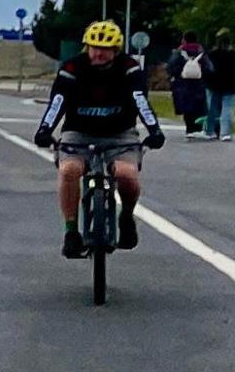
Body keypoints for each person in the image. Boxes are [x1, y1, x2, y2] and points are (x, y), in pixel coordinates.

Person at [35, 20, 165, 258]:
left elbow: (140, 101)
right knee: (69, 171)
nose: (98, 53)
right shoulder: (72, 68)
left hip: (120, 134)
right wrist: (45, 130)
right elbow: (58, 102)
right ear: (86, 47)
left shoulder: (129, 68)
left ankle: (126, 217)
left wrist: (154, 130)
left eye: (105, 49)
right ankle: (71, 232)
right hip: (79, 133)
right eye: (94, 47)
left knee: (126, 175)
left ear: (116, 50)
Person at [170, 32, 216, 139]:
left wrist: (178, 74)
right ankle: (198, 129)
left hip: (183, 85)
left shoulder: (179, 52)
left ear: (184, 40)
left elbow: (171, 66)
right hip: (199, 85)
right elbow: (210, 69)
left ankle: (189, 129)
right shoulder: (201, 52)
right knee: (198, 107)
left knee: (187, 108)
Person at [208, 29, 235, 142]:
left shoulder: (212, 54)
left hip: (214, 84)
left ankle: (211, 131)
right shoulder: (233, 54)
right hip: (230, 84)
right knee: (227, 108)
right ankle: (225, 133)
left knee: (212, 108)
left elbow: (208, 69)